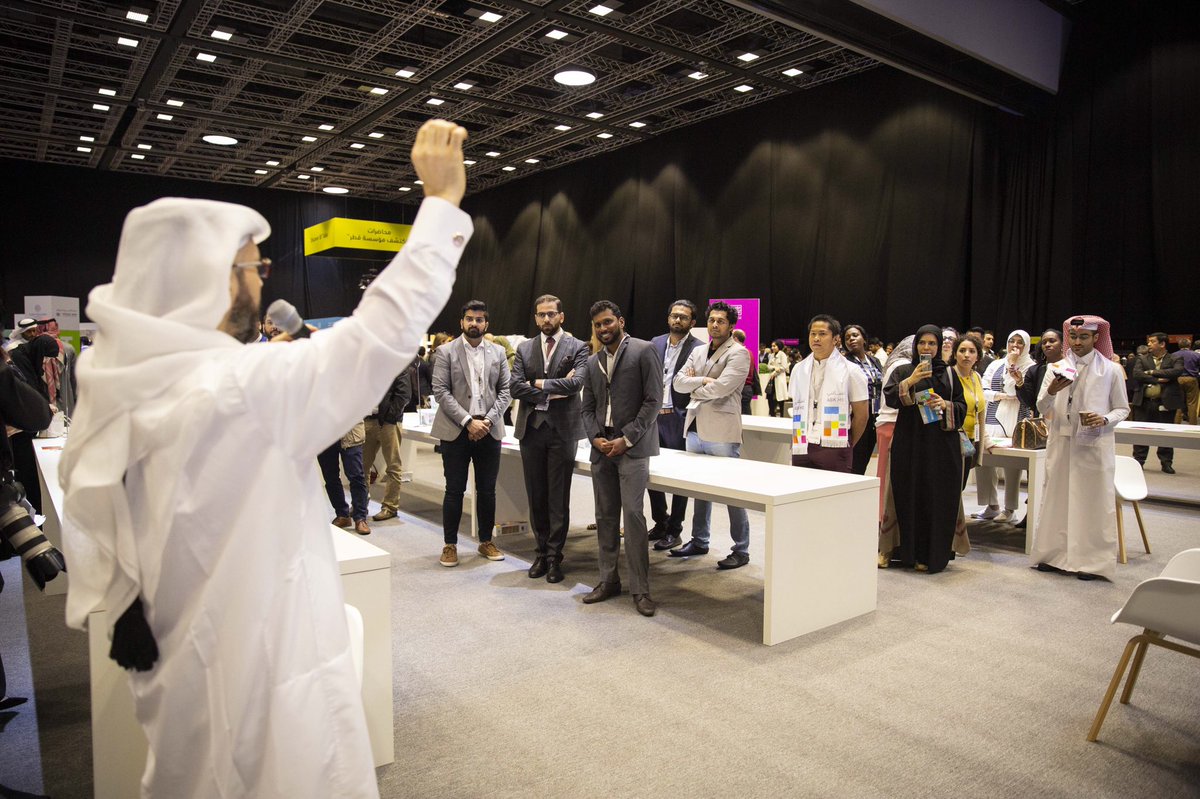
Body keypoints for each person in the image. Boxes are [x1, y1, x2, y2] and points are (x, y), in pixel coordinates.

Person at [57, 118, 472, 798]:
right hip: (264, 681)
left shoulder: (125, 386)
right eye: (256, 268)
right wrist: (441, 205)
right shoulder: (231, 390)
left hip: (181, 663)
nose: (261, 283)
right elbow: (374, 340)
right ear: (217, 280)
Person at [1031, 315, 1130, 580]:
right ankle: (1054, 555)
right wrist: (1052, 390)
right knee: (1057, 499)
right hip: (1061, 444)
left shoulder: (1110, 370)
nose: (1077, 342)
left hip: (1094, 446)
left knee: (1092, 502)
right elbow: (1041, 406)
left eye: (1083, 337)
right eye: (1073, 337)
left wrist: (1104, 419)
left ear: (1096, 338)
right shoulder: (1057, 368)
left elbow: (1123, 409)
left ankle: (1091, 562)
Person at [579, 300, 661, 617]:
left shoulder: (644, 350)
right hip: (602, 448)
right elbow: (587, 407)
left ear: (621, 322)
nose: (603, 328)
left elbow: (653, 401)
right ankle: (608, 580)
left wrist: (626, 439)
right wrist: (594, 438)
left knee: (634, 517)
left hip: (632, 448)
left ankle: (641, 589)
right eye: (598, 324)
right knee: (605, 516)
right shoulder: (593, 361)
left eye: (608, 322)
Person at [509, 294, 589, 583]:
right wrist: (553, 389)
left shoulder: (578, 346)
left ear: (561, 316)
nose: (546, 319)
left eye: (551, 314)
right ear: (535, 318)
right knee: (537, 494)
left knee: (558, 496)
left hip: (562, 431)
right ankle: (541, 552)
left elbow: (576, 383)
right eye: (541, 314)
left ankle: (555, 556)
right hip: (531, 430)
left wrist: (537, 383)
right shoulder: (524, 348)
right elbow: (515, 387)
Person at [878, 325, 969, 573]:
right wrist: (911, 381)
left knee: (936, 497)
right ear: (915, 344)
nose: (926, 348)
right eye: (922, 343)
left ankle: (931, 554)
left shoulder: (949, 373)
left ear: (939, 346)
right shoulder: (904, 370)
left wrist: (946, 404)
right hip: (910, 444)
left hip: (941, 448)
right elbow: (890, 397)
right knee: (908, 494)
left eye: (931, 343)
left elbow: (962, 406)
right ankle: (907, 552)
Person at [670, 301, 753, 569]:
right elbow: (677, 383)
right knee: (699, 490)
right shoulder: (698, 351)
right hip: (695, 427)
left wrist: (695, 387)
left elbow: (723, 388)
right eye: (712, 320)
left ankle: (741, 549)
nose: (715, 325)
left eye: (721, 321)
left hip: (721, 431)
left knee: (732, 493)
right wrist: (703, 381)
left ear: (731, 325)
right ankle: (699, 540)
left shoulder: (739, 353)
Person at [430, 300, 511, 567]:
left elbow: (506, 391)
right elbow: (441, 391)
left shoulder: (498, 352)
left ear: (486, 323)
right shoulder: (445, 352)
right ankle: (450, 545)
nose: (474, 323)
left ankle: (486, 541)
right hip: (456, 430)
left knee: (487, 490)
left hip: (489, 430)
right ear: (461, 322)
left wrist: (487, 421)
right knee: (454, 490)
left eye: (479, 319)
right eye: (469, 319)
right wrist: (468, 422)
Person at [648, 300, 701, 553]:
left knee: (681, 476)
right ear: (668, 318)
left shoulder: (698, 348)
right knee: (650, 471)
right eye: (674, 315)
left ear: (692, 322)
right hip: (652, 416)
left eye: (683, 317)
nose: (677, 320)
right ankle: (660, 521)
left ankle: (674, 529)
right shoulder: (655, 343)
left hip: (679, 416)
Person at [788, 315, 868, 474]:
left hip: (834, 445)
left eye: (822, 334)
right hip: (802, 443)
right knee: (800, 487)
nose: (816, 338)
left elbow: (862, 415)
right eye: (813, 333)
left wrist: (847, 443)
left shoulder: (851, 370)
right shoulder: (798, 369)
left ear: (836, 339)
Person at [973, 330, 1034, 523]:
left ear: (1026, 345)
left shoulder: (1030, 366)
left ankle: (1010, 508)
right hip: (993, 416)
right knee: (985, 458)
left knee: (1012, 466)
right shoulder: (996, 364)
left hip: (1018, 418)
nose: (1015, 345)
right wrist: (999, 396)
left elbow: (1016, 390)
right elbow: (982, 389)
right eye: (1011, 341)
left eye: (1019, 342)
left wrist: (1013, 365)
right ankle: (991, 505)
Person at [363, 363, 412, 521]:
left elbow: (404, 394)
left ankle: (390, 507)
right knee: (362, 466)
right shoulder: (365, 363)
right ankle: (360, 503)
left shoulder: (398, 363)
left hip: (388, 422)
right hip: (368, 420)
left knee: (393, 466)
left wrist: (390, 417)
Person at [1130, 332, 1184, 473]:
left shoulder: (1175, 358)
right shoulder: (1142, 359)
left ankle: (1166, 463)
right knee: (1140, 433)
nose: (1149, 344)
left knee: (1166, 434)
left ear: (1162, 344)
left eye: (1152, 341)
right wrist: (1157, 379)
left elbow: (1176, 372)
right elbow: (1137, 374)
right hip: (1144, 402)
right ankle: (1138, 462)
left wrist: (1151, 372)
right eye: (1149, 341)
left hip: (1166, 402)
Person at [874, 335, 913, 518]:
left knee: (886, 473)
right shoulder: (902, 366)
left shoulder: (895, 362)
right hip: (893, 422)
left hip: (888, 423)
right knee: (889, 474)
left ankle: (884, 516)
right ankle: (884, 517)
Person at [841, 323, 882, 474]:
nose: (851, 339)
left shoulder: (875, 361)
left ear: (864, 339)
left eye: (855, 335)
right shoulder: (845, 363)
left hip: (875, 416)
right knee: (854, 460)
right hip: (856, 415)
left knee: (864, 459)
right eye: (847, 338)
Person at [318, 422, 371, 534]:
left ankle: (360, 518)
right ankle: (342, 514)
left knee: (356, 477)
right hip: (324, 434)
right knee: (330, 477)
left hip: (350, 431)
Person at [950, 334, 988, 489]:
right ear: (954, 354)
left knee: (961, 486)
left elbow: (980, 409)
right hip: (951, 440)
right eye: (962, 350)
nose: (967, 355)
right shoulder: (949, 375)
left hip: (971, 439)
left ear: (977, 356)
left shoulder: (976, 376)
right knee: (952, 486)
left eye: (972, 351)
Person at [1016, 328, 1064, 416]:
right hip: (1043, 419)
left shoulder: (1071, 367)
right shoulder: (1034, 371)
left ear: (1062, 344)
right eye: (1044, 342)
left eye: (1052, 341)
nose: (1047, 344)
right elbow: (1028, 402)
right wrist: (1019, 382)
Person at [1173, 338, 1199, 424]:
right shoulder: (1196, 355)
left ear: (1179, 345)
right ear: (1189, 345)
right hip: (1191, 379)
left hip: (1177, 379)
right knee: (1192, 404)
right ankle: (1192, 425)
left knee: (1178, 403)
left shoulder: (1173, 355)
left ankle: (1176, 424)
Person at [731, 328, 755, 414]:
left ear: (735, 339)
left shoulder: (741, 352)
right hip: (745, 388)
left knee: (744, 416)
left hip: (742, 388)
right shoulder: (748, 352)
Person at [765, 339, 789, 417]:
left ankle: (782, 416)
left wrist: (775, 372)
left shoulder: (782, 355)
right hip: (772, 379)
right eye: (772, 346)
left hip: (779, 379)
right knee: (770, 398)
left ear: (779, 346)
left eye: (774, 346)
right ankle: (772, 415)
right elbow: (768, 366)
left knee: (780, 399)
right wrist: (775, 368)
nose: (772, 347)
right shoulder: (772, 355)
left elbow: (784, 367)